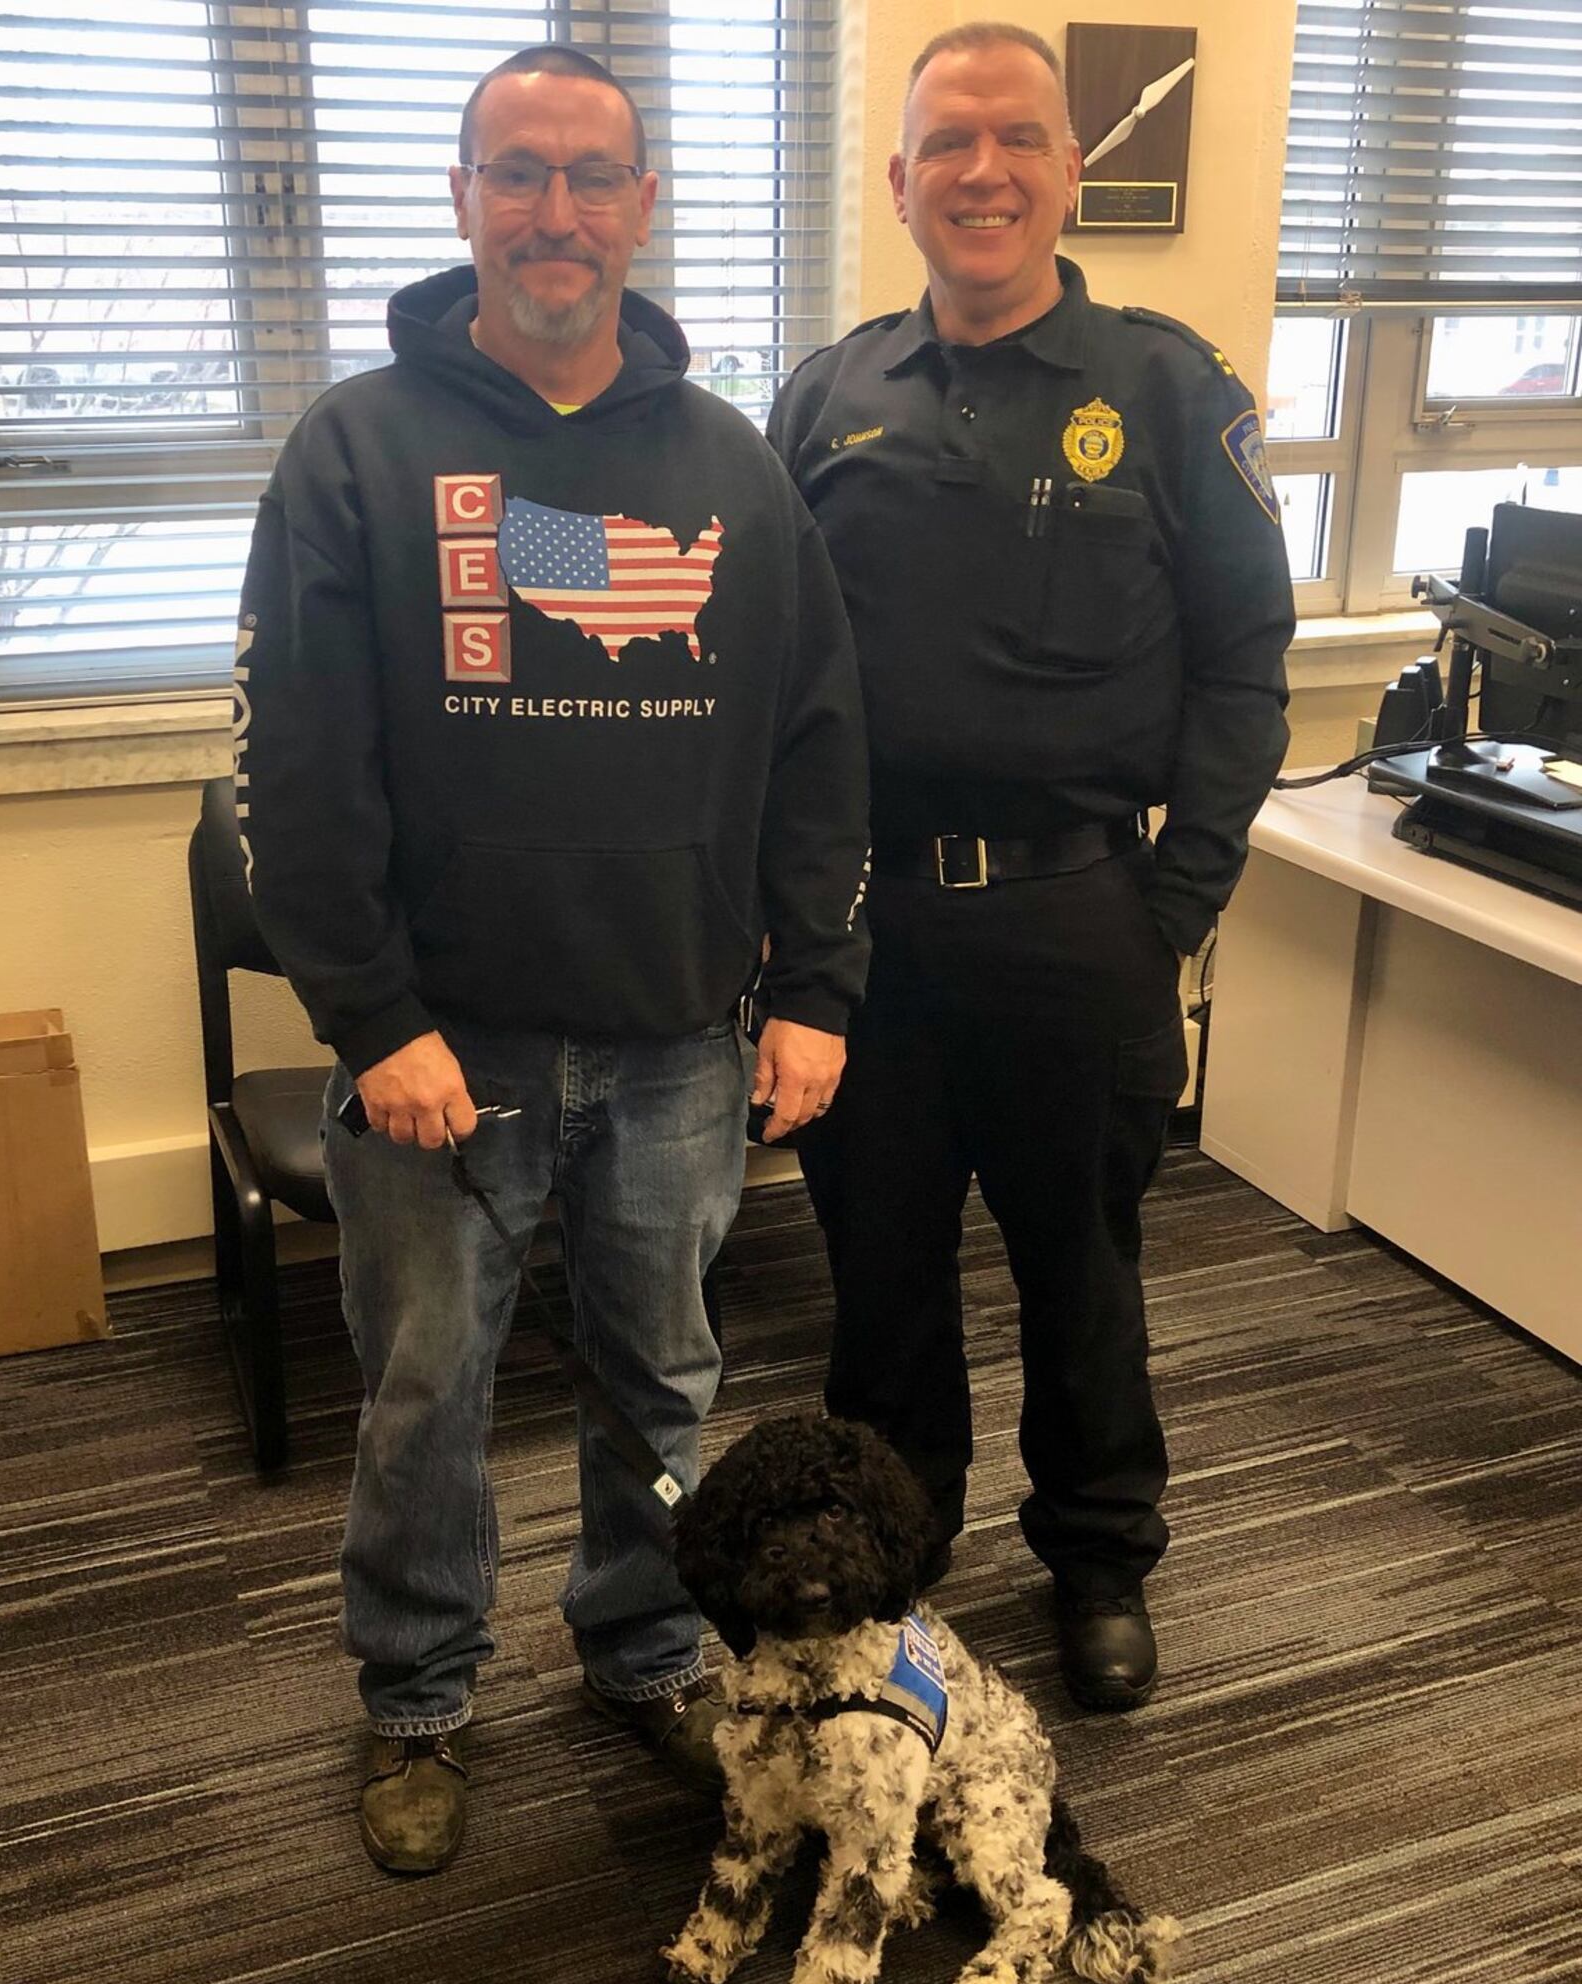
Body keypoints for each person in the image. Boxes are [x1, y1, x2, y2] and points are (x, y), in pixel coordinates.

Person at [234, 44, 869, 1873]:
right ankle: (416, 1700)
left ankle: (645, 1644)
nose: (557, 212)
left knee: (662, 1378)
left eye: (593, 175)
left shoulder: (732, 468)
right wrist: (369, 1023)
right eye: (518, 172)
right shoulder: (355, 450)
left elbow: (821, 745)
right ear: (460, 201)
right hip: (446, 1057)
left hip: (678, 1037)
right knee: (428, 1396)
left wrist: (817, 985)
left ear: (643, 207)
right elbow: (301, 773)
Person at [766, 22, 1295, 1712]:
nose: (982, 171)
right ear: (901, 180)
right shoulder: (825, 396)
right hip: (868, 933)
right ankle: (892, 1567)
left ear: (1071, 171)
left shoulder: (1170, 389)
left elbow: (1246, 668)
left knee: (1085, 1272)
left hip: (1085, 917)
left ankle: (1099, 1560)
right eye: (947, 143)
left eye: (1019, 139)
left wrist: (1176, 911)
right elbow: (767, 680)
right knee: (885, 1282)